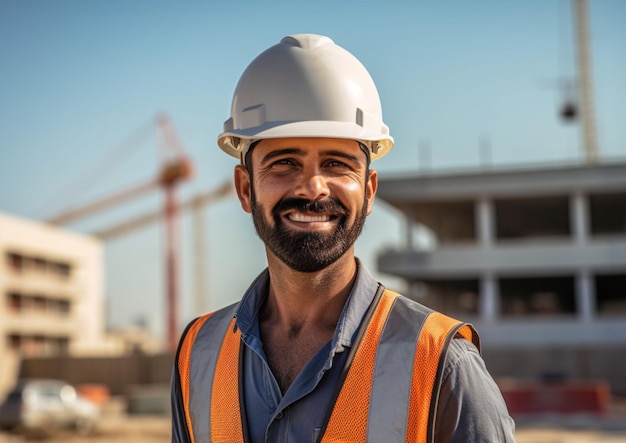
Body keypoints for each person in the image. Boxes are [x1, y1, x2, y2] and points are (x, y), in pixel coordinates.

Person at [171, 33, 516, 443]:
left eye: (337, 163)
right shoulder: (199, 355)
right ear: (245, 188)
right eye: (284, 163)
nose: (313, 187)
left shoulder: (441, 363)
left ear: (369, 191)